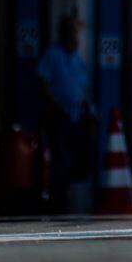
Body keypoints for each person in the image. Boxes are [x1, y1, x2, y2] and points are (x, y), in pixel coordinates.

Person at [37, 13, 93, 212]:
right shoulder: (53, 54)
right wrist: (54, 103)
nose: (74, 35)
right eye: (70, 31)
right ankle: (56, 200)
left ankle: (67, 193)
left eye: (75, 31)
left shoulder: (77, 58)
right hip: (59, 114)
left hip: (76, 115)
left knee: (74, 158)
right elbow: (43, 80)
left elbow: (82, 84)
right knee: (59, 157)